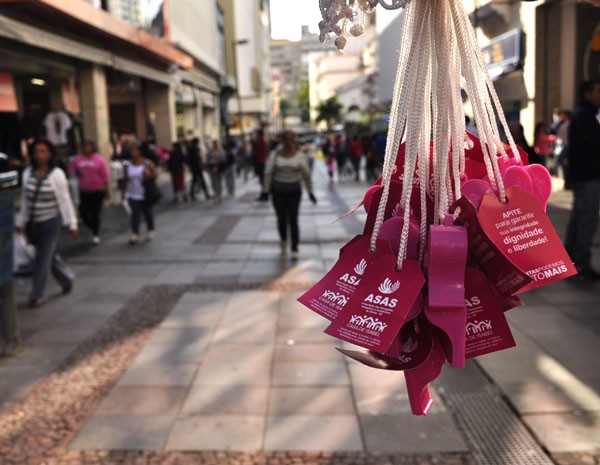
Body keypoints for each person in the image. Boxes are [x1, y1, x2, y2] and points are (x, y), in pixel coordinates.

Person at [15, 139, 78, 308]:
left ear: (50, 154)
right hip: (33, 223)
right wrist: (20, 221)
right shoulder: (27, 173)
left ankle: (37, 294)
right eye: (36, 151)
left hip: (51, 221)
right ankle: (67, 279)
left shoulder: (57, 174)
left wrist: (72, 223)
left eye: (43, 151)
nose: (39, 155)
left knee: (42, 258)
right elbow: (25, 200)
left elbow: (65, 200)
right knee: (49, 256)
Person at [259, 130, 317, 260]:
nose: (288, 142)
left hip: (294, 192)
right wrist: (265, 191)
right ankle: (284, 237)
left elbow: (306, 175)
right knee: (281, 217)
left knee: (293, 219)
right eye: (286, 139)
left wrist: (311, 192)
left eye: (290, 139)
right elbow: (268, 172)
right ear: (282, 141)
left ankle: (295, 246)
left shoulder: (300, 156)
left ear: (293, 140)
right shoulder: (275, 155)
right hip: (278, 191)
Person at [564, 80, 600, 280]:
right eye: (598, 90)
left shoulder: (581, 114)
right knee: (587, 219)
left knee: (579, 217)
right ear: (587, 93)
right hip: (588, 176)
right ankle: (581, 262)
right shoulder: (584, 115)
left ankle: (572, 259)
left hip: (583, 175)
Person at [69, 140, 109, 244]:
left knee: (95, 212)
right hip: (84, 190)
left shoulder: (99, 160)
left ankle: (95, 233)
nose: (87, 148)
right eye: (85, 146)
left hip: (97, 190)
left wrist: (106, 189)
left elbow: (105, 175)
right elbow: (71, 170)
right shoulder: (78, 159)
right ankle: (91, 225)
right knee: (83, 211)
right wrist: (77, 172)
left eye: (89, 146)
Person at [122, 143, 158, 244]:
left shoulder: (147, 163)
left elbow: (155, 175)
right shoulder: (127, 165)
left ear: (140, 152)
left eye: (135, 150)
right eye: (131, 150)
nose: (133, 152)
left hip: (145, 194)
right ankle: (135, 234)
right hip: (133, 194)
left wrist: (149, 175)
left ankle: (151, 230)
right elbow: (126, 179)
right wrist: (124, 191)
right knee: (135, 214)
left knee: (147, 213)